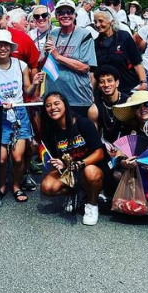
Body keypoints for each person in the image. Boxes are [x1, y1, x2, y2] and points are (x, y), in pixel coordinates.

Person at [0, 30, 42, 201]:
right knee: (1, 159)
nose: (2, 48)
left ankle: (15, 185)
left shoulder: (21, 65)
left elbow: (27, 90)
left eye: (5, 45)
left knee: (17, 157)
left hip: (19, 113)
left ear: (10, 47)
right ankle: (1, 185)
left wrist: (35, 83)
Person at [38, 91, 105, 225]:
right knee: (47, 186)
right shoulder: (51, 131)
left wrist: (79, 164)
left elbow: (99, 153)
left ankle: (92, 204)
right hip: (70, 169)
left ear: (65, 105)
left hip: (91, 167)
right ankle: (77, 193)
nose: (53, 108)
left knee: (90, 172)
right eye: (48, 105)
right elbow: (59, 158)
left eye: (57, 103)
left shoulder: (83, 123)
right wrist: (59, 163)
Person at [43, 0, 97, 118]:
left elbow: (84, 67)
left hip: (77, 98)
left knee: (79, 135)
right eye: (61, 12)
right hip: (54, 98)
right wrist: (46, 55)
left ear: (75, 15)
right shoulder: (51, 34)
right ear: (56, 16)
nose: (65, 15)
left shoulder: (85, 35)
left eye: (69, 12)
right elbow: (42, 64)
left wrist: (58, 56)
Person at [92, 8, 146, 95]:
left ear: (112, 22)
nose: (97, 25)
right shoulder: (95, 43)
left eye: (101, 21)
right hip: (107, 91)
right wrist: (91, 93)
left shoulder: (124, 37)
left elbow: (137, 62)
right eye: (95, 22)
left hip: (128, 88)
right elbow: (94, 71)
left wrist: (143, 82)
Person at [92, 65, 129, 145]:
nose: (106, 85)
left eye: (109, 80)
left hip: (126, 144)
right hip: (104, 144)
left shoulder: (128, 102)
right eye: (102, 82)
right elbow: (94, 136)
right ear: (98, 86)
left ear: (117, 83)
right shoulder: (95, 107)